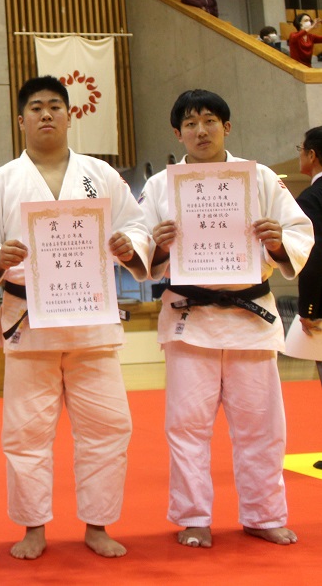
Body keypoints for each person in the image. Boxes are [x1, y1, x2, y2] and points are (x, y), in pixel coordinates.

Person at [0, 75, 150, 560]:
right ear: (22, 120)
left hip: (90, 319)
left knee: (108, 428)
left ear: (70, 115)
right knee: (26, 431)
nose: (45, 114)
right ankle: (33, 527)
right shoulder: (2, 180)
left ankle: (97, 524)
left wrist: (129, 245)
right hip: (28, 319)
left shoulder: (102, 175)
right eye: (36, 107)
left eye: (54, 106)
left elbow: (136, 224)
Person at [139, 89, 312, 549]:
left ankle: (264, 513)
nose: (201, 130)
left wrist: (277, 242)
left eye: (210, 121)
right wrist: (157, 243)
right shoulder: (160, 187)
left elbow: (299, 233)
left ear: (227, 127)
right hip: (188, 318)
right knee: (187, 426)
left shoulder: (258, 178)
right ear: (178, 133)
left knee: (261, 426)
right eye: (191, 123)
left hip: (249, 319)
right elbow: (138, 249)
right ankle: (194, 516)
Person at [294, 125, 322, 468]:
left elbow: (313, 258)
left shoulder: (312, 199)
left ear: (312, 155)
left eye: (301, 149)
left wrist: (310, 308)